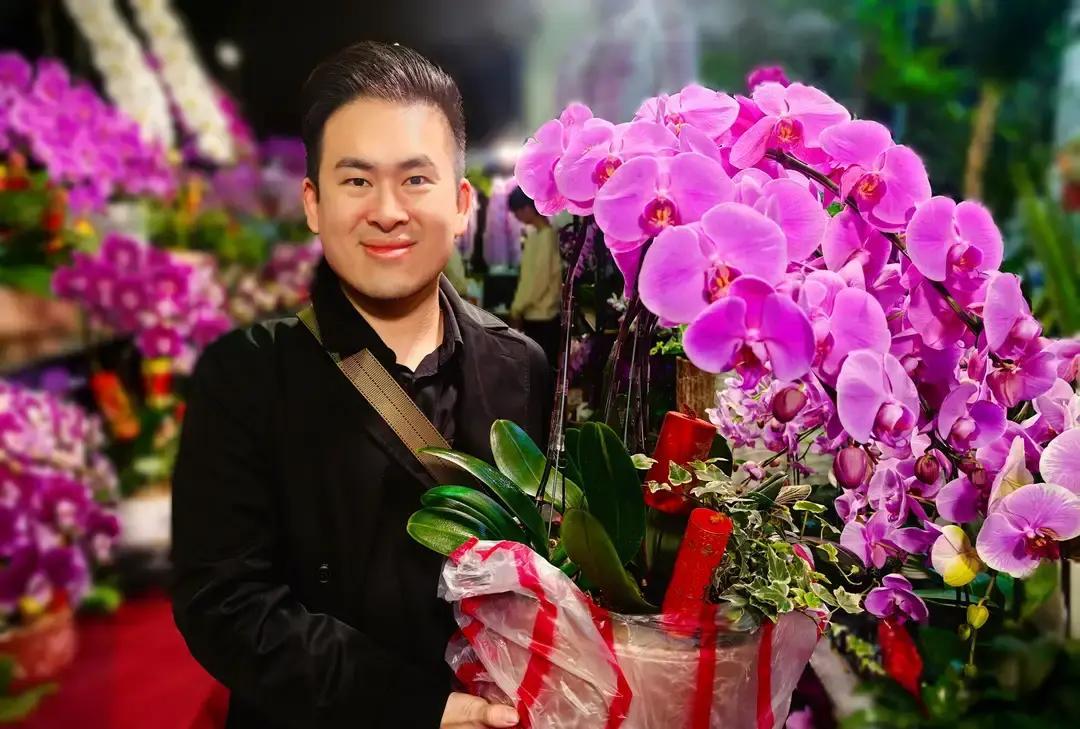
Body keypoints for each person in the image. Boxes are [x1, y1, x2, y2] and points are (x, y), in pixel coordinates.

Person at [171, 41, 550, 729]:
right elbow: (225, 603)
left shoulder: (521, 366)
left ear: (461, 203)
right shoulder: (245, 376)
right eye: (356, 181)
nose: (387, 211)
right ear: (313, 203)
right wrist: (422, 708)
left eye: (416, 179)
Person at [507, 187, 563, 369]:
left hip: (542, 317)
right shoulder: (538, 235)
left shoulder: (545, 237)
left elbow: (536, 281)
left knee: (539, 371)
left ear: (527, 208)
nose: (517, 217)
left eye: (517, 211)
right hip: (539, 314)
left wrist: (517, 308)